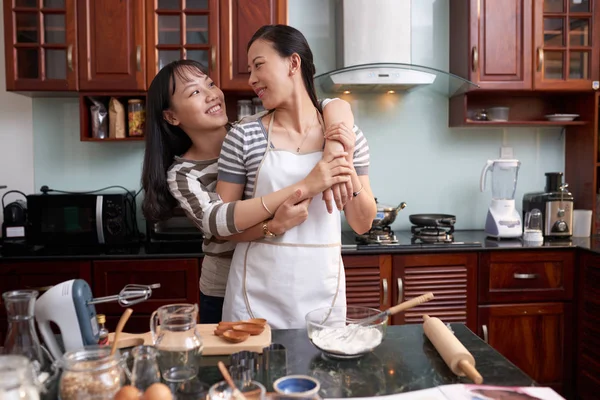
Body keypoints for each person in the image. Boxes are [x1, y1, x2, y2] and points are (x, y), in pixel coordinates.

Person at [141, 59, 357, 323]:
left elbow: (327, 105)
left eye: (210, 84)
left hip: (273, 277)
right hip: (222, 285)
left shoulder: (251, 132)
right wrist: (275, 225)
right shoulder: (183, 174)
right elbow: (218, 228)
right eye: (195, 92)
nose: (212, 95)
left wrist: (336, 139)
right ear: (171, 116)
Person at [217, 25, 377, 329]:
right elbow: (221, 227)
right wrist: (271, 226)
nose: (251, 79)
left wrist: (344, 162)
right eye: (249, 70)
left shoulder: (347, 136)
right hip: (253, 299)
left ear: (293, 63)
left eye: (259, 65)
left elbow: (362, 223)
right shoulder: (243, 136)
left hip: (322, 296)